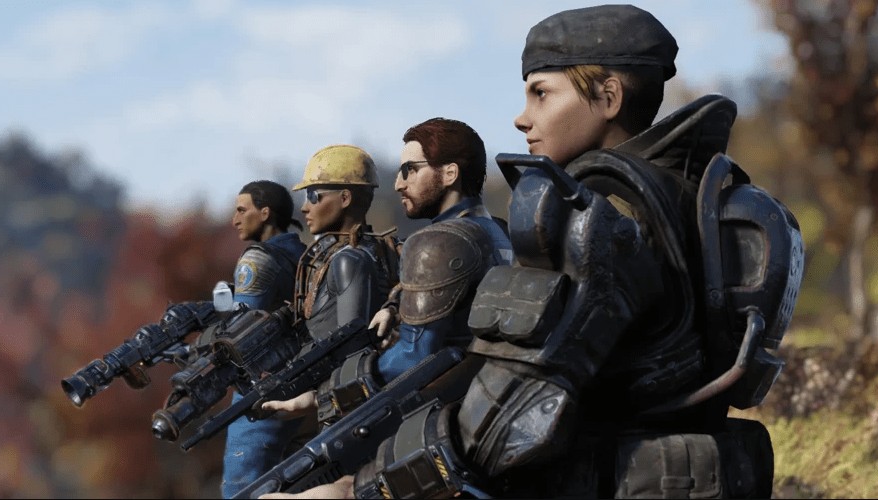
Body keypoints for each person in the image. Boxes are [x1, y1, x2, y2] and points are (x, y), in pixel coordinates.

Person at [265, 4, 802, 499]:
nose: (522, 117)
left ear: (608, 98)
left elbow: (504, 418)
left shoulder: (596, 217)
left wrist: (352, 491)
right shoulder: (699, 196)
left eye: (541, 93)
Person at [263, 117, 513, 426]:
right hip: (496, 404)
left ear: (450, 173)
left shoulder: (437, 242)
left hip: (449, 418)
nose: (398, 184)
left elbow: (413, 356)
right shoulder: (499, 231)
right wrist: (395, 305)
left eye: (410, 170)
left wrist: (324, 397)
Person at [222, 148, 398, 497]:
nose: (305, 207)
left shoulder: (349, 259)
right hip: (326, 399)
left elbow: (348, 346)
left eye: (315, 196)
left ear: (345, 198)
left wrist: (311, 398)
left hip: (337, 408)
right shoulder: (363, 251)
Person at [220, 180, 307, 498]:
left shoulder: (256, 261)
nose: (235, 220)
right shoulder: (304, 254)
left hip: (261, 389)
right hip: (304, 381)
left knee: (241, 487)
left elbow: (241, 333)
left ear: (266, 213)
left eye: (242, 210)